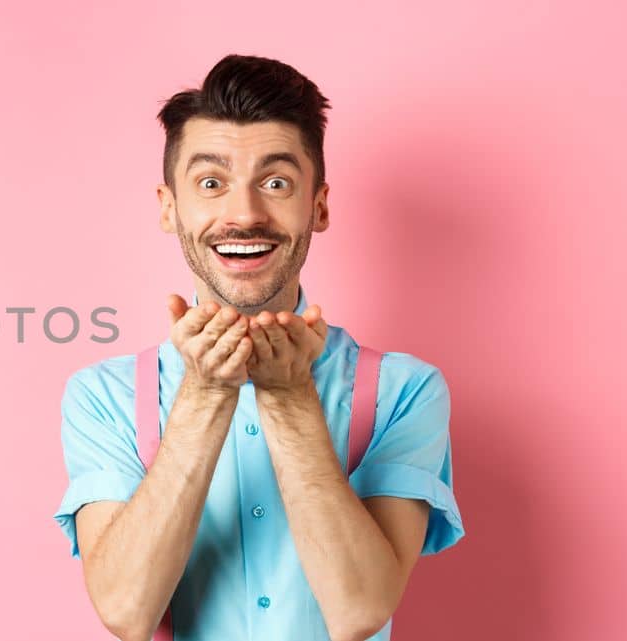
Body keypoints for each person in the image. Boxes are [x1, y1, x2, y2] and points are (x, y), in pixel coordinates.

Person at [52, 54, 464, 641]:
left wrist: (291, 396)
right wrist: (206, 393)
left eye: (276, 183)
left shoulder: (405, 390)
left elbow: (360, 610)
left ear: (318, 206)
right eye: (211, 183)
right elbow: (126, 611)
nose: (244, 214)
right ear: (170, 208)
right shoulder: (103, 396)